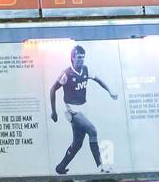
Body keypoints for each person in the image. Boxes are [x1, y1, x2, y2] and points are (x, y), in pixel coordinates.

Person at [49, 45, 118, 175]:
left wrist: (110, 91)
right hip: (71, 110)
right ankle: (101, 166)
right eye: (79, 57)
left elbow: (98, 80)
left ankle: (60, 167)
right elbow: (53, 89)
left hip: (82, 109)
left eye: (83, 57)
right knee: (92, 131)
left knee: (77, 143)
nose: (81, 60)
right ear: (73, 58)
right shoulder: (67, 74)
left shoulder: (86, 70)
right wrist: (54, 111)